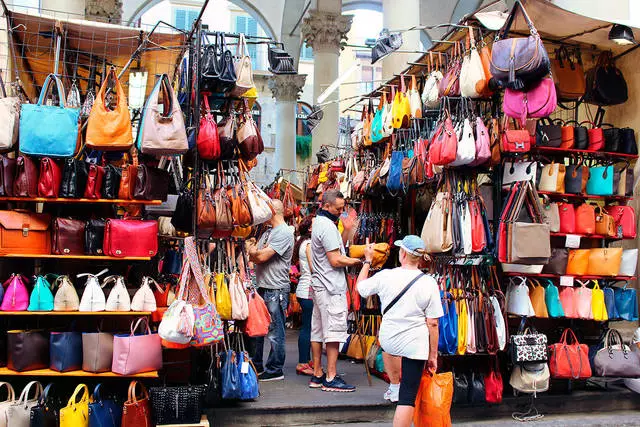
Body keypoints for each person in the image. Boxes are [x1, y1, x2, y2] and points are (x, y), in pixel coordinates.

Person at [356, 235, 443, 427]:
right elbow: (433, 323)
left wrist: (367, 261)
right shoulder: (429, 283)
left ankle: (394, 385)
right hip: (415, 343)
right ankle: (399, 391)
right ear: (420, 258)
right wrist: (433, 355)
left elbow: (361, 288)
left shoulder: (387, 275)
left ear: (402, 253)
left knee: (391, 347)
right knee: (408, 396)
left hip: (389, 338)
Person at [310, 189, 362, 392]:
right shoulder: (327, 226)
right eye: (339, 209)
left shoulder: (321, 223)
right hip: (331, 288)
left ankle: (317, 373)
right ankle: (331, 377)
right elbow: (336, 259)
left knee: (318, 330)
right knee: (333, 332)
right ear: (327, 206)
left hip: (322, 286)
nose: (341, 212)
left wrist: (347, 230)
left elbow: (335, 248)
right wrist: (360, 261)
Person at [246, 199, 295, 382]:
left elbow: (259, 256)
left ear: (272, 211)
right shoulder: (268, 232)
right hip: (263, 286)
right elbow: (254, 253)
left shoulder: (283, 232)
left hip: (276, 289)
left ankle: (275, 369)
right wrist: (254, 251)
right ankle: (257, 365)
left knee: (275, 332)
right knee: (258, 329)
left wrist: (253, 250)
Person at [292, 215, 314, 376]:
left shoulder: (303, 242)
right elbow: (314, 268)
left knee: (309, 326)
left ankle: (306, 360)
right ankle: (303, 362)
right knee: (308, 327)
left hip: (305, 289)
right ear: (310, 228)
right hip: (308, 290)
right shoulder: (308, 244)